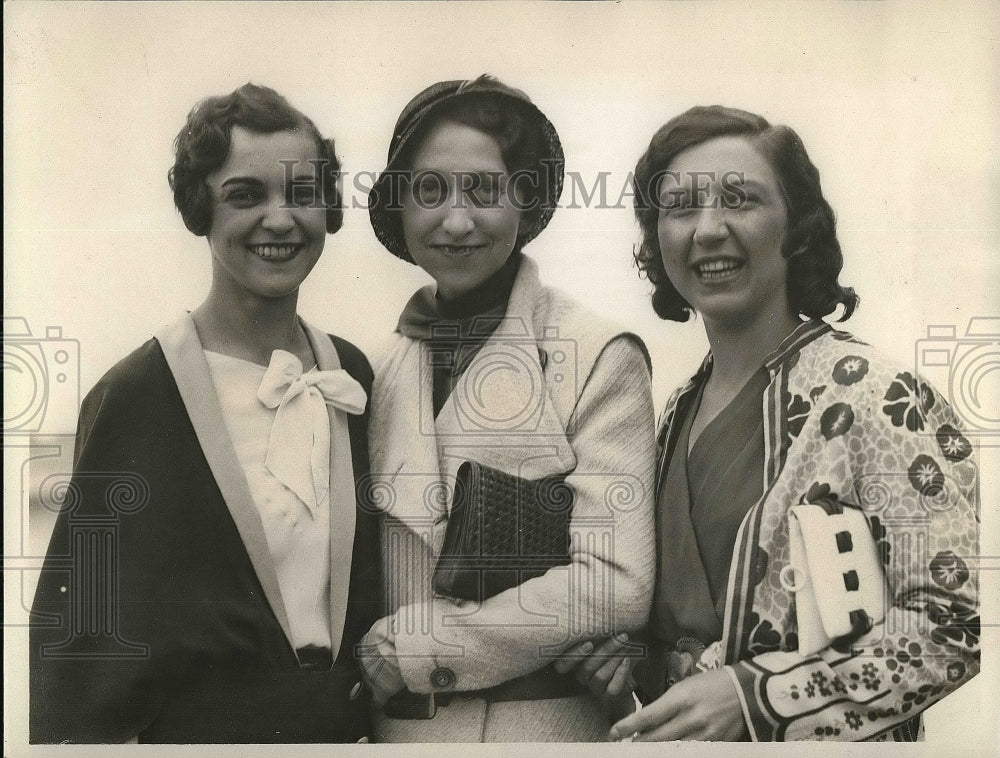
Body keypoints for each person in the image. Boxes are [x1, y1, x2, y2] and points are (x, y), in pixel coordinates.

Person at [556, 105, 980, 741]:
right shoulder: (673, 412)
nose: (707, 229)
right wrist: (632, 658)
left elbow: (952, 627)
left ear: (798, 228)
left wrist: (761, 697)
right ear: (657, 239)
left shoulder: (878, 396)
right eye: (679, 208)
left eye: (740, 199)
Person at [29, 83, 380, 743]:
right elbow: (81, 646)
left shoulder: (349, 375)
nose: (280, 219)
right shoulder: (138, 393)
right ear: (200, 208)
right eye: (246, 195)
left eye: (302, 194)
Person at [360, 74, 656, 742]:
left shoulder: (597, 352)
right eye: (430, 190)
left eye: (484, 191)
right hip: (396, 738)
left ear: (526, 201)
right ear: (401, 208)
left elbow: (617, 579)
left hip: (544, 729)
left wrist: (422, 647)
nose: (456, 220)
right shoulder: (373, 369)